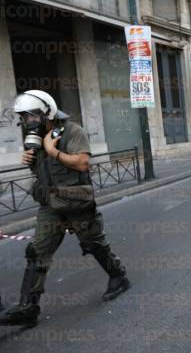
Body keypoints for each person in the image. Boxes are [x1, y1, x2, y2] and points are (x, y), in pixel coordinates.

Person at [0, 90, 130, 327]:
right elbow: (44, 173)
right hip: (50, 206)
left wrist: (53, 151)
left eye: (31, 116)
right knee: (37, 252)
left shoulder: (72, 131)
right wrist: (29, 160)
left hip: (76, 203)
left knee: (95, 245)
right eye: (25, 118)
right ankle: (28, 307)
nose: (27, 122)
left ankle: (118, 276)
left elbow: (82, 163)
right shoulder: (36, 137)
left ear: (47, 111)